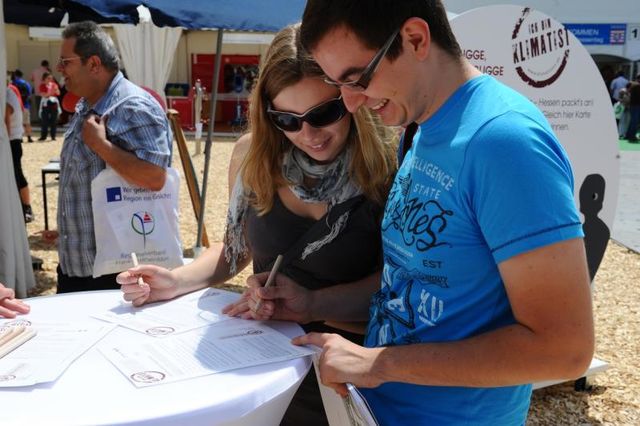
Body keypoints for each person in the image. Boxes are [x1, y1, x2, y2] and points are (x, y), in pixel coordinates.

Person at [240, 1, 595, 425]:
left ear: (414, 39)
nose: (351, 104)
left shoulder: (504, 142)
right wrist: (312, 303)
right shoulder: (422, 128)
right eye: (339, 86)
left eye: (357, 79)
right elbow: (410, 283)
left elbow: (564, 349)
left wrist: (380, 364)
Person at [117, 23, 396, 425]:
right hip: (269, 360)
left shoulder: (389, 161)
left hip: (353, 365)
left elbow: (396, 282)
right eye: (288, 119)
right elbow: (236, 250)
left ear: (349, 97)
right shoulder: (253, 155)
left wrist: (316, 303)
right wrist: (177, 281)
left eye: (325, 113)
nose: (309, 134)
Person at [48, 21, 172, 293]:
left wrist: (101, 145)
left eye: (65, 62)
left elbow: (155, 177)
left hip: (115, 275)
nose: (59, 69)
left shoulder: (132, 107)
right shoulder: (88, 105)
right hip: (80, 267)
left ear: (93, 64)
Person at [5, 84, 34, 223]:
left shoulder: (6, 93)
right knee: (16, 175)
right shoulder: (9, 91)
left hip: (11, 142)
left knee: (17, 175)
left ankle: (26, 208)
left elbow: (6, 122)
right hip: (12, 141)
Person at [11, 70, 34, 142]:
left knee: (18, 122)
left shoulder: (13, 83)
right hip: (25, 105)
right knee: (27, 122)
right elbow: (30, 93)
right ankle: (29, 137)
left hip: (16, 106)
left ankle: (20, 137)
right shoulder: (26, 83)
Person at [37, 72, 60, 141]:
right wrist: (52, 92)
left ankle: (53, 136)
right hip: (46, 104)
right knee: (44, 121)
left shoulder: (54, 84)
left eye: (51, 78)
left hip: (54, 104)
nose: (50, 80)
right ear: (44, 79)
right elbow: (44, 95)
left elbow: (58, 93)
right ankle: (43, 136)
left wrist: (55, 90)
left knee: (54, 120)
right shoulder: (42, 85)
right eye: (48, 78)